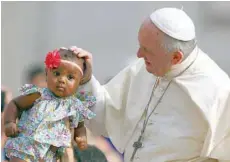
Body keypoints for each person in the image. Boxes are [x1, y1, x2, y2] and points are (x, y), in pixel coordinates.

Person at [73, 7, 230, 162]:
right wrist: (86, 80)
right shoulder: (143, 68)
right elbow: (104, 114)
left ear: (176, 57)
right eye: (140, 45)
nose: (139, 55)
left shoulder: (218, 90)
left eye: (147, 50)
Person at [3, 48, 96, 162]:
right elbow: (15, 103)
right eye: (57, 74)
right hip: (27, 147)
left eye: (70, 77)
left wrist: (81, 137)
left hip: (51, 154)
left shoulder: (75, 105)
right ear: (47, 73)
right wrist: (9, 122)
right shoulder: (39, 95)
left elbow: (79, 126)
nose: (62, 80)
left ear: (79, 82)